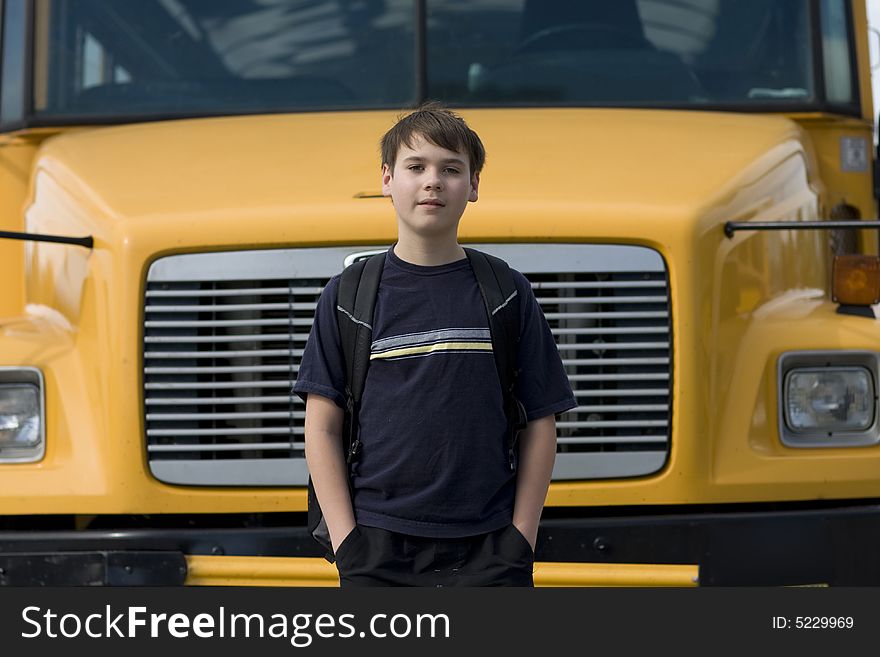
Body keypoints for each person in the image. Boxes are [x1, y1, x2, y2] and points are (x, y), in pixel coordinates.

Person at [293, 103, 575, 587]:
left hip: (490, 543)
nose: (433, 181)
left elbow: (540, 421)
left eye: (451, 169)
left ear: (474, 185)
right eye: (416, 166)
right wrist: (349, 545)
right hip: (377, 543)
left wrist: (520, 538)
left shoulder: (507, 292)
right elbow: (321, 427)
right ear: (387, 179)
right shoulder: (348, 296)